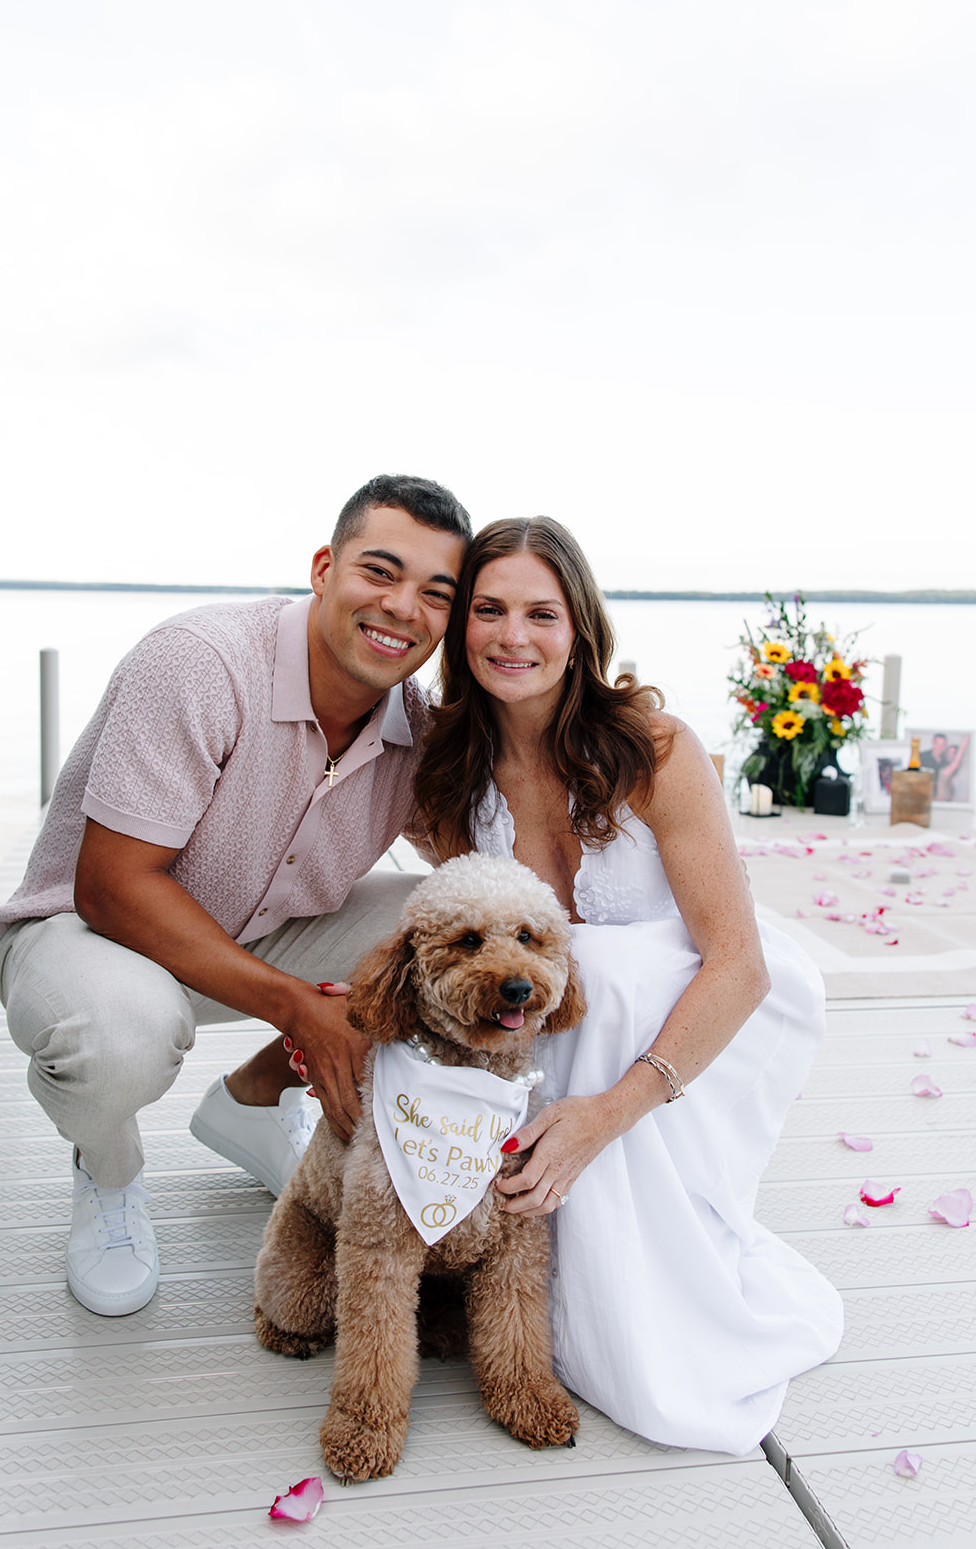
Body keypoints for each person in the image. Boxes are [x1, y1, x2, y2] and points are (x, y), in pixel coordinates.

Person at [0, 475, 471, 1317]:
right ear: (323, 568)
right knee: (119, 1041)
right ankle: (108, 1170)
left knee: (455, 932)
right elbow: (110, 888)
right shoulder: (200, 662)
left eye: (436, 593)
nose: (402, 608)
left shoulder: (416, 728)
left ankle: (254, 1098)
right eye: (379, 571)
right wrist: (298, 1010)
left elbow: (483, 861)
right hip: (86, 936)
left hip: (259, 936)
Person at [413, 516, 844, 1456]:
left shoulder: (653, 749)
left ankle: (636, 1287)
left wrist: (608, 1113)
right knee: (565, 979)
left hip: (699, 1018)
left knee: (596, 970)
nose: (512, 636)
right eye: (488, 610)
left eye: (541, 614)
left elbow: (738, 962)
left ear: (580, 631)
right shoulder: (446, 768)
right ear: (459, 627)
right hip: (554, 1028)